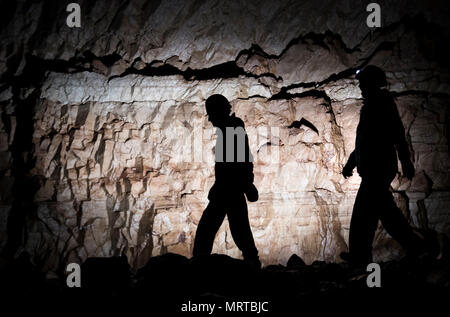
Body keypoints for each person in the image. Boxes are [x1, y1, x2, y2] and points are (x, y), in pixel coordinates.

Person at [341, 65, 424, 266]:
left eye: (363, 82)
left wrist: (405, 161)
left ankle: (359, 257)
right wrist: (351, 163)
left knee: (363, 215)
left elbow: (397, 133)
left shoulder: (383, 103)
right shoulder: (370, 106)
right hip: (373, 168)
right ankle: (415, 246)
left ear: (372, 83)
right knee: (386, 214)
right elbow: (363, 142)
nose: (360, 86)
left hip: (378, 169)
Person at [193, 94, 261, 269]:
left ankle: (198, 271)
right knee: (240, 231)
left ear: (219, 112)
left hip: (228, 191)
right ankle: (253, 265)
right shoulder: (230, 129)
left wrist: (245, 185)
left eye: (211, 114)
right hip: (229, 190)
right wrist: (247, 184)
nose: (209, 119)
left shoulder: (231, 129)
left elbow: (237, 163)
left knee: (207, 231)